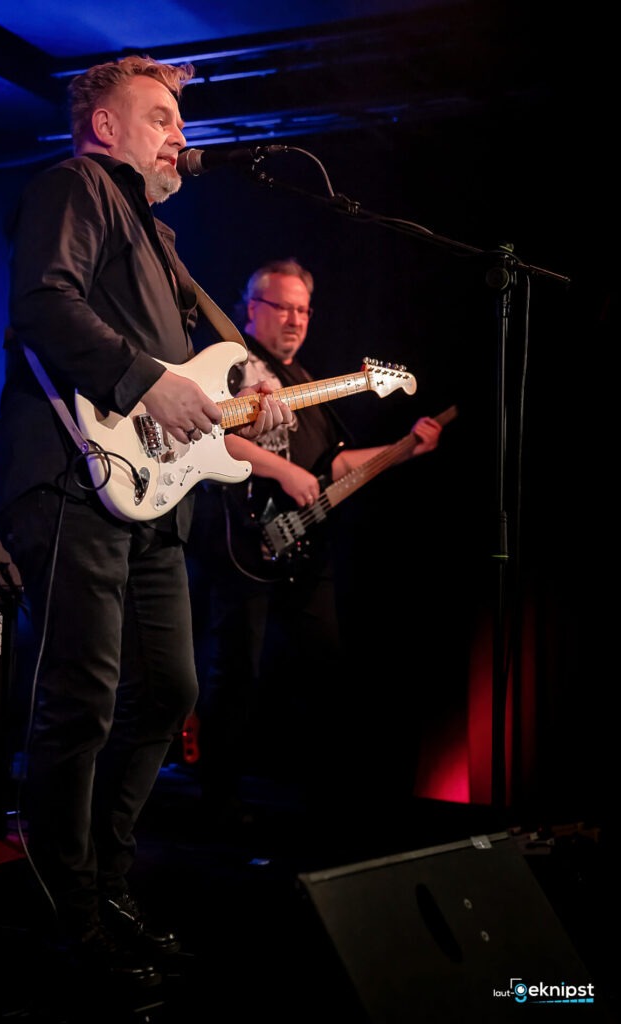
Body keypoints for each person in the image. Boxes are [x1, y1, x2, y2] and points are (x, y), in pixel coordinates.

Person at [0, 55, 292, 990]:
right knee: (81, 697)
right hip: (73, 478)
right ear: (105, 127)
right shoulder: (76, 182)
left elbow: (201, 366)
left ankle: (106, 885)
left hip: (149, 496)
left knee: (166, 688)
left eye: (180, 121)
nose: (178, 136)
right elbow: (43, 303)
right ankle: (65, 912)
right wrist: (145, 379)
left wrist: (253, 383)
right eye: (158, 116)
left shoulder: (158, 241)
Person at [187, 258, 444, 830]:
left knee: (324, 667)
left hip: (302, 543)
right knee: (235, 671)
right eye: (283, 307)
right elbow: (211, 433)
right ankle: (217, 804)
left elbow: (331, 467)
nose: (296, 320)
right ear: (251, 308)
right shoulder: (229, 362)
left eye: (304, 309)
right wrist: (280, 470)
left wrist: (403, 448)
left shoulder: (307, 383)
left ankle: (330, 802)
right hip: (240, 537)